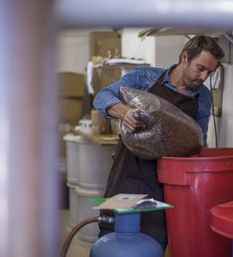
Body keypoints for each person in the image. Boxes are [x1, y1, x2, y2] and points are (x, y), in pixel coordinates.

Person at [93, 35, 224, 248]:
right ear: (184, 57)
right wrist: (125, 112)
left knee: (154, 245)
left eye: (210, 72)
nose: (203, 77)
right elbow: (102, 97)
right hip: (129, 176)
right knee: (113, 241)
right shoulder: (144, 77)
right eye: (200, 68)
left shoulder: (203, 97)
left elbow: (199, 143)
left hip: (166, 186)